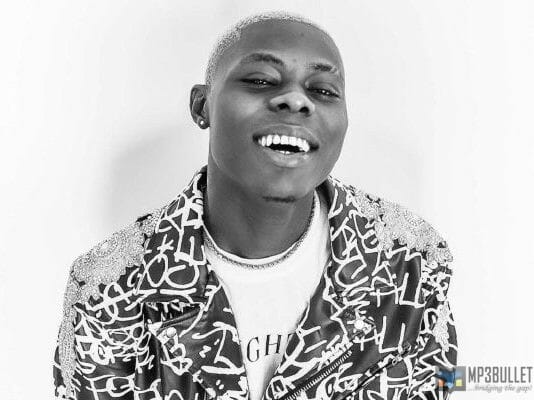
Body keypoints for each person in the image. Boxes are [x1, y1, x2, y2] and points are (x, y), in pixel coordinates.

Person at [53, 11, 457, 400]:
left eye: (323, 90)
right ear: (202, 106)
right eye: (260, 80)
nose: (296, 100)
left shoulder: (410, 261)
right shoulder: (107, 288)